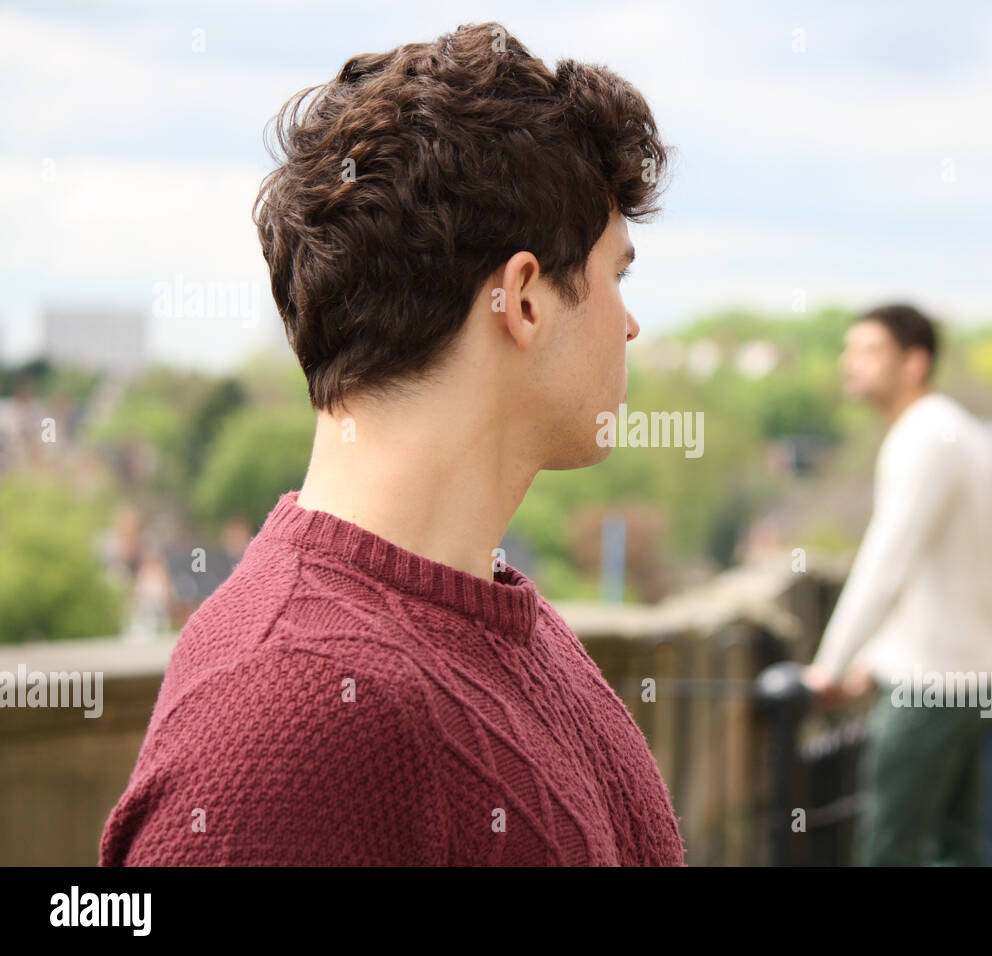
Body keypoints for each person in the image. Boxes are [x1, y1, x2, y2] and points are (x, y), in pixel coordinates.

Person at [100, 22, 685, 866]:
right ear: (523, 299)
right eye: (615, 276)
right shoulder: (285, 715)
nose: (628, 325)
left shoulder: (494, 618)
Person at [802, 304, 992, 866]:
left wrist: (832, 664)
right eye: (850, 350)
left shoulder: (923, 439)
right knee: (962, 849)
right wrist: (870, 660)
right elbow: (934, 572)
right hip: (978, 676)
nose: (852, 363)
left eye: (870, 351)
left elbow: (887, 563)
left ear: (915, 362)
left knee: (888, 850)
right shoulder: (955, 429)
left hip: (934, 688)